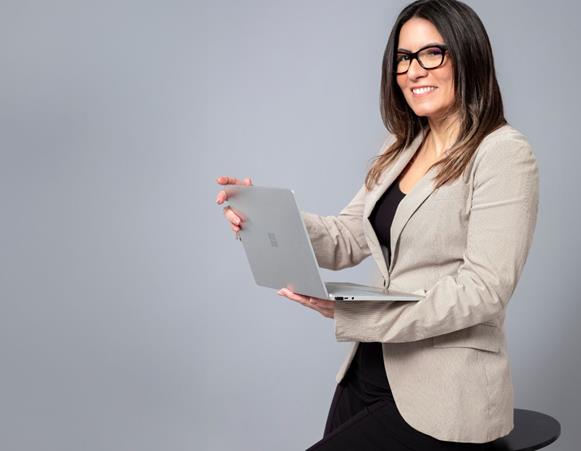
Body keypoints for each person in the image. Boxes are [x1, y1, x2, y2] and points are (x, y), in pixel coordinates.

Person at [215, 0, 539, 448]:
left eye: (432, 53)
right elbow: (348, 239)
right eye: (403, 58)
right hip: (368, 369)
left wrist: (363, 313)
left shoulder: (502, 153)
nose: (414, 71)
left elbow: (484, 290)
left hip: (446, 392)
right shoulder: (400, 146)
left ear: (468, 55)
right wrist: (265, 218)